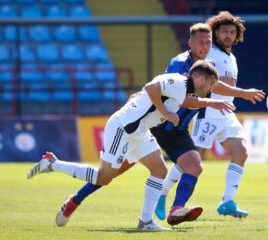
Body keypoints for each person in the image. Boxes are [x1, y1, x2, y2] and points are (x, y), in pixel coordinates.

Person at [26, 60, 221, 231]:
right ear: (201, 79)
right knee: (104, 177)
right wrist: (166, 113)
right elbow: (151, 87)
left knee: (159, 170)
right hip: (124, 128)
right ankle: (53, 164)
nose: (211, 89)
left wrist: (209, 104)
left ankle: (146, 222)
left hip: (140, 132)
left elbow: (178, 99)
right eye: (211, 84)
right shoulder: (178, 81)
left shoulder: (182, 88)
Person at [158, 11, 255, 219]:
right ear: (215, 33)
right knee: (192, 157)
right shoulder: (210, 55)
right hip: (209, 112)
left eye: (232, 32)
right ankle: (162, 193)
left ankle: (227, 202)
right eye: (223, 32)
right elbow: (205, 83)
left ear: (237, 35)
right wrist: (241, 92)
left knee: (241, 152)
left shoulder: (232, 57)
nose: (228, 35)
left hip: (227, 112)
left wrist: (235, 93)